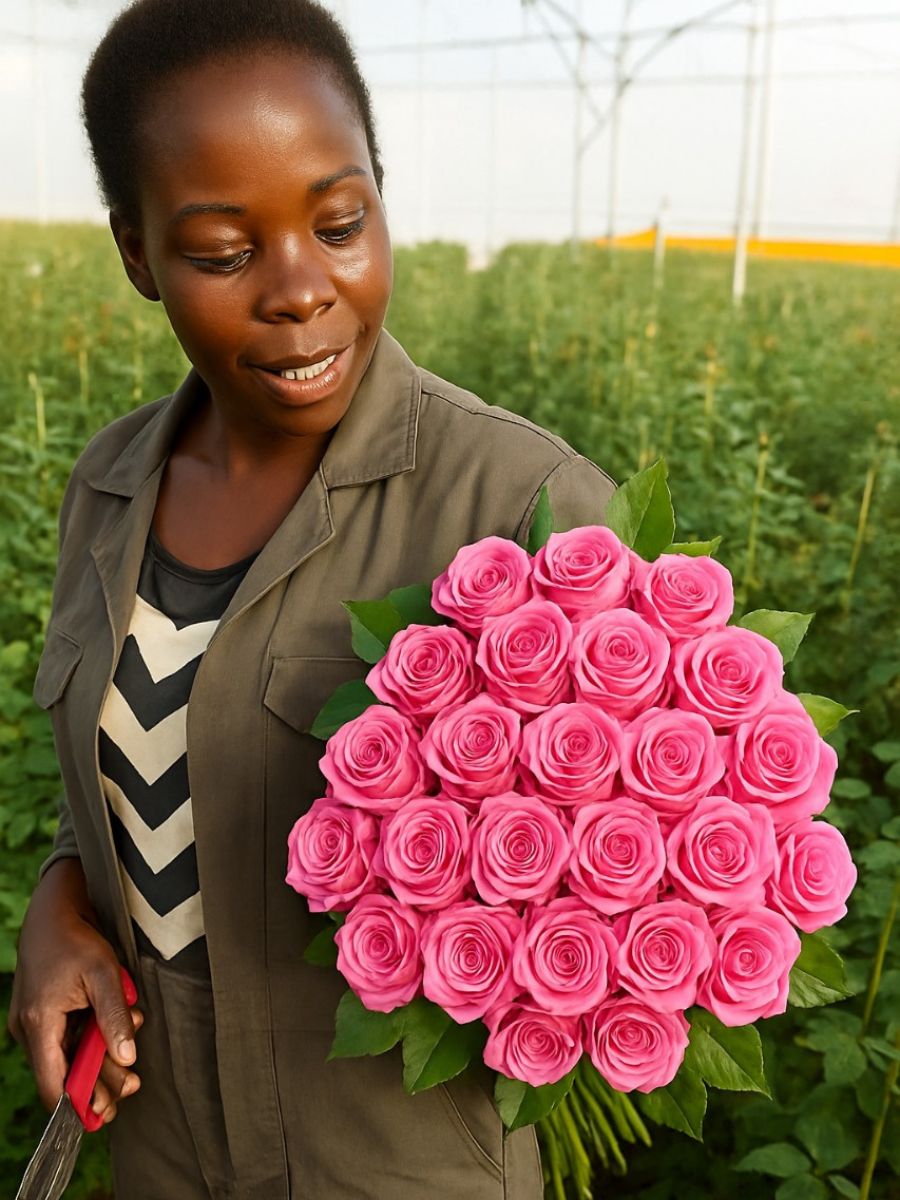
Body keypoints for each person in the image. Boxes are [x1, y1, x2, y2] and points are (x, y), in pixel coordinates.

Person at [8, 1, 617, 1196]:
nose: (299, 289)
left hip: (397, 1158)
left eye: (340, 223)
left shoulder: (521, 508)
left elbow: (624, 868)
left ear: (382, 196)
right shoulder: (108, 491)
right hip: (163, 1139)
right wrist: (55, 910)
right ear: (137, 255)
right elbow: (127, 782)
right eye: (225, 253)